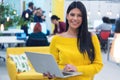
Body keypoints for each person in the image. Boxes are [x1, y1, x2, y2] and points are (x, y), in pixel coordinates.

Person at [48, 1, 103, 80]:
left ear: (83, 18)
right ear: (67, 16)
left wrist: (77, 69)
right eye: (72, 14)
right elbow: (52, 66)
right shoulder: (56, 39)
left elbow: (98, 65)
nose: (75, 18)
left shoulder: (91, 37)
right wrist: (54, 72)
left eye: (79, 15)